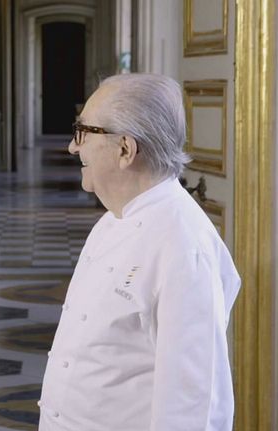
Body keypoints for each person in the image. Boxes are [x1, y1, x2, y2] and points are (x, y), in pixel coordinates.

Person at [38, 73, 240, 430]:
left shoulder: (184, 246)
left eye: (83, 132)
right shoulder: (113, 219)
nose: (72, 147)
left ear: (125, 150)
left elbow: (192, 404)